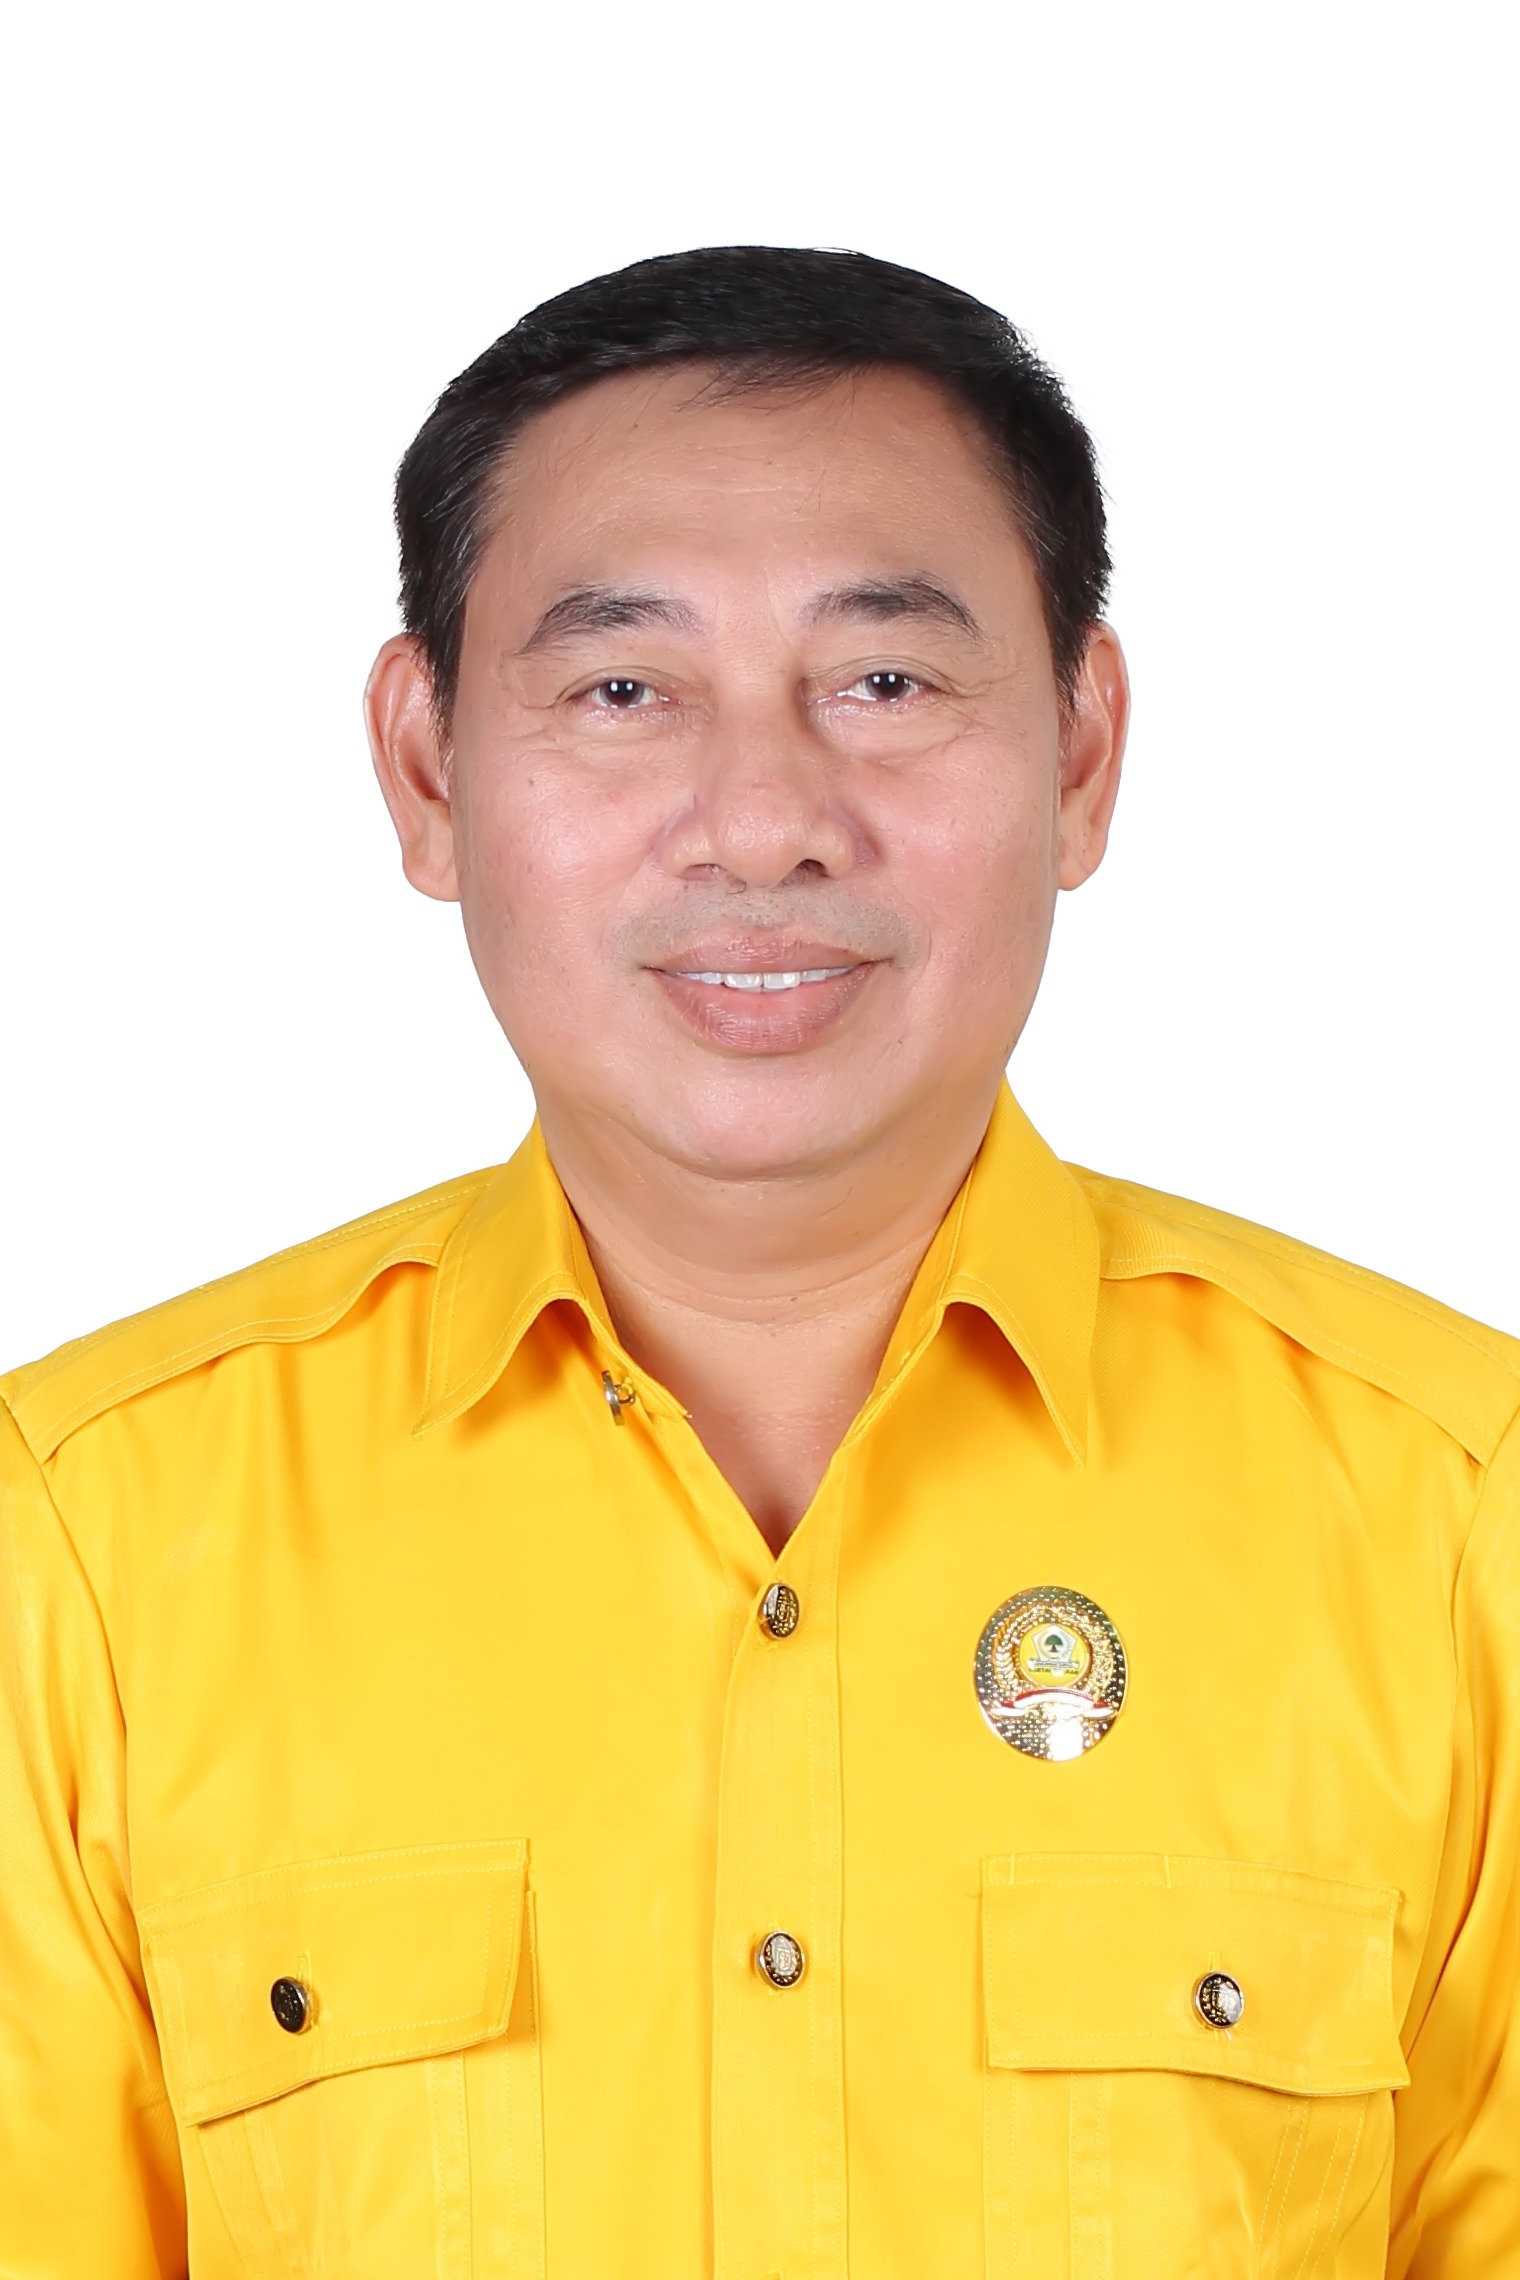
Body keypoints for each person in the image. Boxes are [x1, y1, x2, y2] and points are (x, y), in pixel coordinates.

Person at [1, 246, 1515, 2280]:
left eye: (883, 682)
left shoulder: (1456, 1517)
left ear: (1079, 753)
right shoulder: (86, 1545)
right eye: (623, 690)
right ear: (428, 769)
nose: (763, 820)